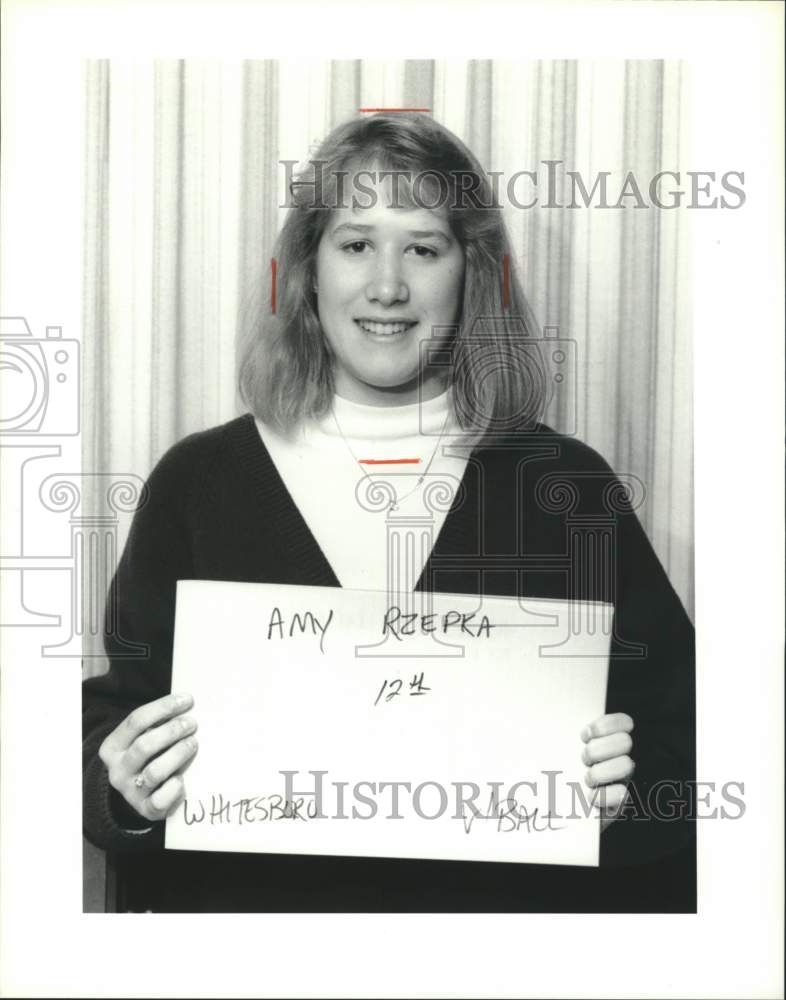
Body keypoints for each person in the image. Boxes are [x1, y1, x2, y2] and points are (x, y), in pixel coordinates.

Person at [82, 112, 695, 912]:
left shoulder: (566, 487)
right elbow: (118, 718)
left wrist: (627, 798)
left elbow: (686, 744)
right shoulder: (198, 482)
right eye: (357, 243)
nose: (387, 285)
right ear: (306, 269)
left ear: (472, 273)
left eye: (424, 247)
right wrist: (122, 781)